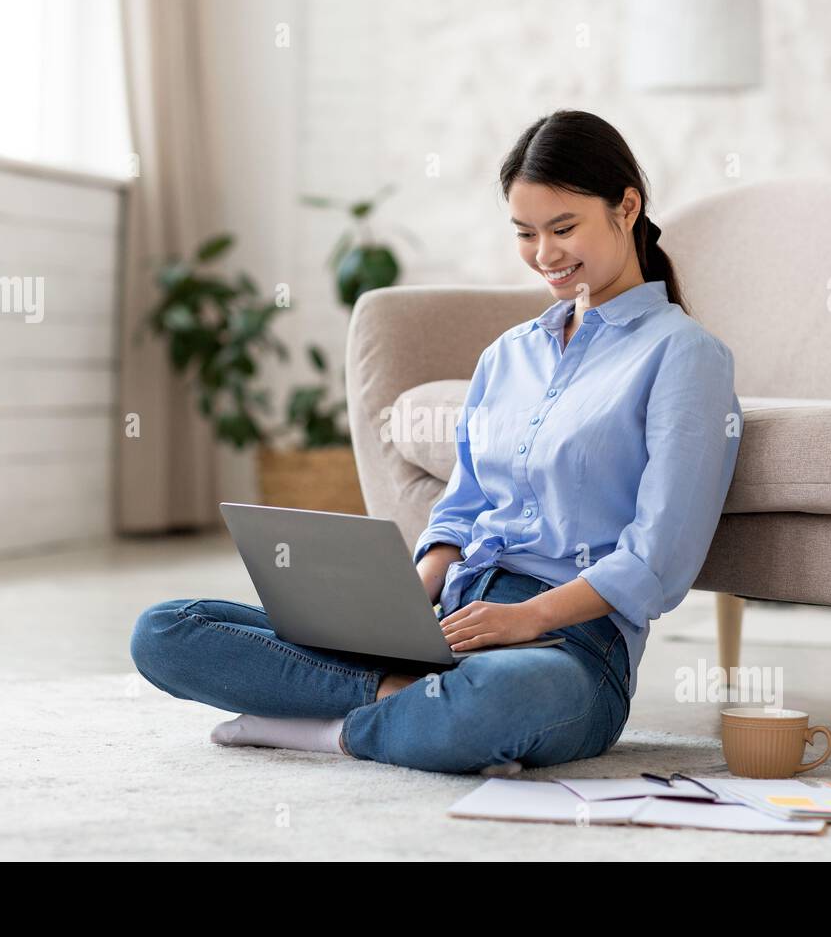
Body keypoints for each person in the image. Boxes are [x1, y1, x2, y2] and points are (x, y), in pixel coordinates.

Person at [130, 109, 743, 775]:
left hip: (568, 650)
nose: (545, 255)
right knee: (166, 631)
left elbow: (658, 561)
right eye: (526, 233)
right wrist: (403, 607)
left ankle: (325, 727)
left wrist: (525, 619)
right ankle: (401, 701)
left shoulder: (684, 356)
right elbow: (459, 509)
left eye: (564, 228)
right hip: (444, 623)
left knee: (490, 701)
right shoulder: (508, 356)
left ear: (627, 207)